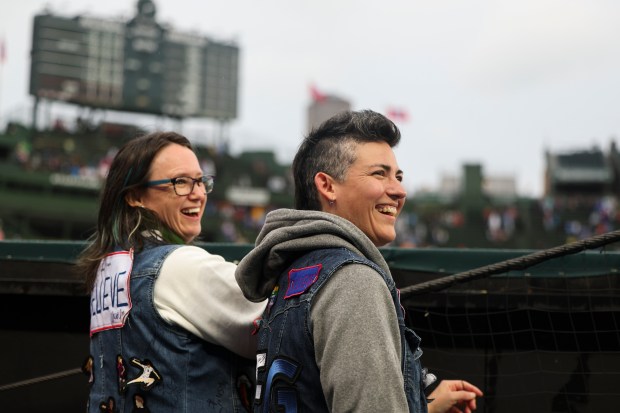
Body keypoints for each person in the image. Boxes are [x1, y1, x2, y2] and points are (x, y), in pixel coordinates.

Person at [235, 110, 483, 412]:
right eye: (380, 174)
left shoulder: (291, 272)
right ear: (327, 186)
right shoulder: (354, 282)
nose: (399, 190)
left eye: (399, 176)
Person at [77, 131, 265, 412]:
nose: (199, 194)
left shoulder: (108, 267)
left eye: (201, 181)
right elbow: (281, 323)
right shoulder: (180, 265)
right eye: (180, 182)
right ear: (135, 196)